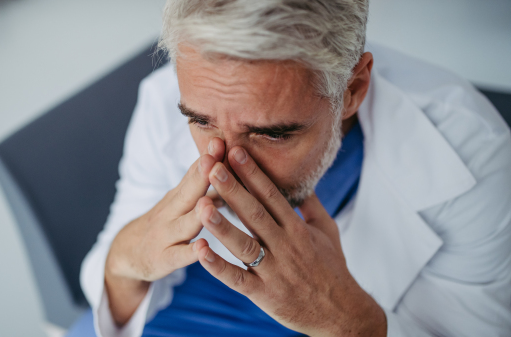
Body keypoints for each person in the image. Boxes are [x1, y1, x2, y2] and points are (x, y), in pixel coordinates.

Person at [80, 1, 511, 336]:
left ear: (353, 90)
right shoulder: (161, 100)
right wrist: (124, 258)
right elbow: (109, 285)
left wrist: (351, 324)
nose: (224, 168)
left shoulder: (476, 160)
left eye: (271, 134)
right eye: (200, 121)